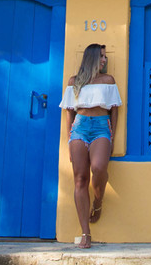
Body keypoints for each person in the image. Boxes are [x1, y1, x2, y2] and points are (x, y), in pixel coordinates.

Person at [59, 43, 121, 249]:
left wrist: (111, 136)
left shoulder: (108, 80)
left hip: (101, 127)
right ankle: (86, 232)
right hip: (79, 128)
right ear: (92, 58)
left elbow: (114, 110)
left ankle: (99, 200)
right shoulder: (74, 81)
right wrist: (70, 138)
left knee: (99, 168)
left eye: (105, 57)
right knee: (80, 180)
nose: (105, 60)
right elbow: (69, 111)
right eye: (102, 56)